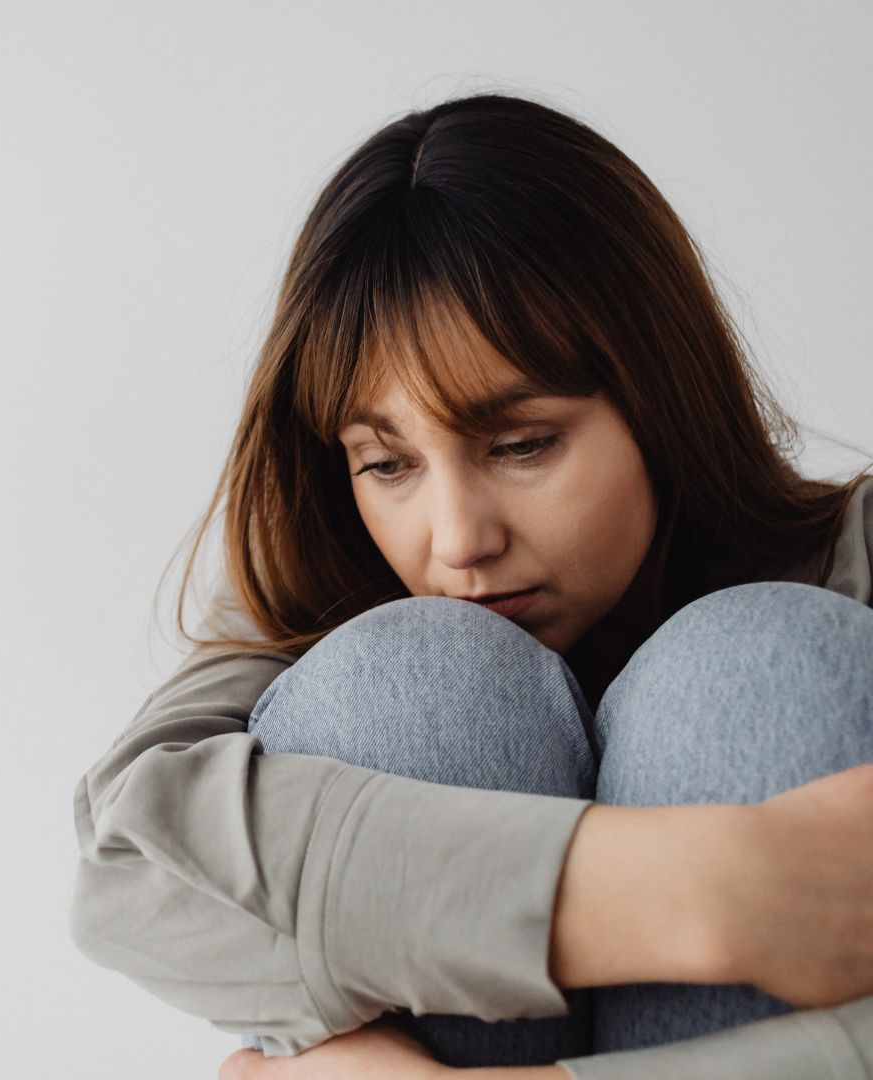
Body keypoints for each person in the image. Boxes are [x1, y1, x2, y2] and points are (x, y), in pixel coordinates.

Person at [69, 93, 873, 1080]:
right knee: (411, 678)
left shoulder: (853, 560)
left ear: (662, 395)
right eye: (387, 464)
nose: (457, 541)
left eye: (522, 444)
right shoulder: (323, 597)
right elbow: (132, 872)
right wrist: (714, 887)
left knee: (761, 662)